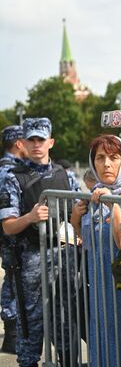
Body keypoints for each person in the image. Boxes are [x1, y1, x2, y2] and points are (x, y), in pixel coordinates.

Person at [0, 118, 80, 367]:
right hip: (30, 260)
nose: (36, 145)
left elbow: (79, 209)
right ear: (22, 143)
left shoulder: (66, 175)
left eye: (41, 140)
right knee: (31, 325)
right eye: (31, 140)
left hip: (64, 255)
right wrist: (31, 217)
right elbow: (8, 226)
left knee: (65, 320)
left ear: (51, 142)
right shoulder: (12, 178)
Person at [71, 134, 121, 367]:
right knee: (103, 342)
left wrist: (114, 205)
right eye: (100, 158)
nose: (106, 164)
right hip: (100, 287)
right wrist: (76, 218)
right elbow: (89, 238)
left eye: (114, 157)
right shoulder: (98, 192)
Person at [0, 125, 27, 354]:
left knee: (13, 278)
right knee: (15, 280)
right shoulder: (10, 171)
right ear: (19, 144)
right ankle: (12, 335)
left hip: (8, 235)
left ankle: (12, 335)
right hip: (13, 235)